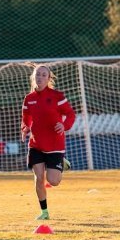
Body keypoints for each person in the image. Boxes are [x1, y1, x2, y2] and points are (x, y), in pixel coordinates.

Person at [21, 64, 76, 221]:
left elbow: (70, 114)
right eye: (38, 74)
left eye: (44, 75)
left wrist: (63, 125)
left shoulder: (57, 96)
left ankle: (62, 163)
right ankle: (44, 212)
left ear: (48, 78)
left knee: (53, 181)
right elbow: (26, 118)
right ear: (33, 77)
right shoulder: (29, 99)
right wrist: (25, 128)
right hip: (36, 144)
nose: (40, 77)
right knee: (39, 178)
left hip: (54, 145)